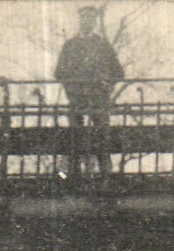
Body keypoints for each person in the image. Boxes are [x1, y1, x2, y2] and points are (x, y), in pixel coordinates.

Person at [54, 6, 125, 176]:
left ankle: (105, 173)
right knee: (74, 135)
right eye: (84, 18)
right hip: (76, 98)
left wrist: (106, 85)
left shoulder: (102, 45)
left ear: (94, 22)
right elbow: (59, 72)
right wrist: (70, 87)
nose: (87, 22)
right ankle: (73, 173)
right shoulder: (70, 45)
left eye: (91, 18)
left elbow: (118, 72)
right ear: (79, 21)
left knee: (102, 134)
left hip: (98, 98)